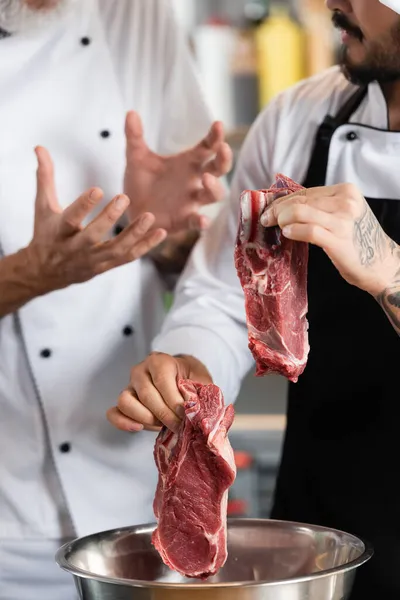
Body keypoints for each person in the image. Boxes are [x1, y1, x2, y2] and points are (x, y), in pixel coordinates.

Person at [108, 1, 400, 598]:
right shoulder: (301, 113)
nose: (334, 4)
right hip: (325, 533)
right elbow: (221, 292)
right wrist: (191, 366)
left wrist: (388, 267)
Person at [0, 0, 233, 598]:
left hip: (135, 517)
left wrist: (164, 226)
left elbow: (206, 267)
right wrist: (28, 276)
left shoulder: (136, 14)